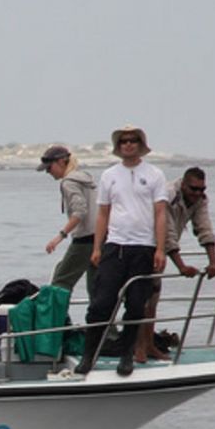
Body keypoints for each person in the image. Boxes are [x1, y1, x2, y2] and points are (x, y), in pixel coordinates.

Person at [78, 125, 168, 377]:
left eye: (133, 141)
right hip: (115, 246)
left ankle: (127, 354)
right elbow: (103, 213)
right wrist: (97, 247)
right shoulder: (109, 175)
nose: (128, 145)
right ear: (119, 147)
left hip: (143, 247)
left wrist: (160, 249)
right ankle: (89, 355)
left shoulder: (154, 174)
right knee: (101, 303)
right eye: (124, 141)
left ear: (140, 144)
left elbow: (161, 213)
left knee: (137, 305)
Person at [132, 166, 215, 362]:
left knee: (153, 298)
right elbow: (167, 232)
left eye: (202, 189)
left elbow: (204, 227)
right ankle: (138, 347)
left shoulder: (200, 200)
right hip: (143, 245)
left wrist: (213, 261)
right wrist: (181, 266)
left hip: (160, 251)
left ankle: (149, 345)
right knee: (141, 298)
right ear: (183, 184)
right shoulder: (168, 194)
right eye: (193, 189)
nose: (198, 193)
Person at [38, 144, 98, 299]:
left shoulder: (68, 182)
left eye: (49, 167)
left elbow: (80, 211)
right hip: (101, 238)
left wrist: (60, 236)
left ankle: (56, 321)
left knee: (60, 282)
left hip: (84, 240)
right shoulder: (86, 178)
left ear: (61, 162)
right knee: (96, 285)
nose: (47, 172)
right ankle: (103, 322)